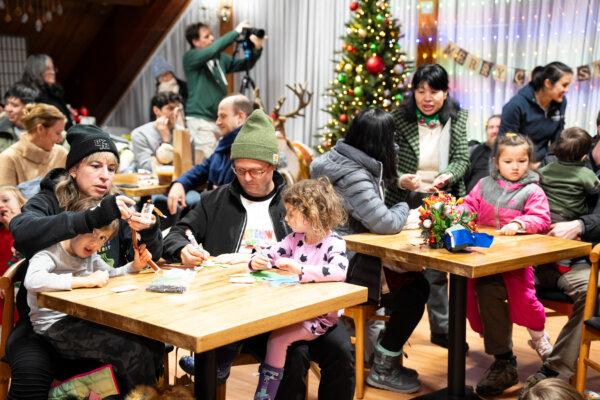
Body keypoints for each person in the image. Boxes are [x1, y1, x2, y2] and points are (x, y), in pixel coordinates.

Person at [165, 109, 356, 400]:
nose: (247, 177)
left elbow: (330, 247)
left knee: (341, 351)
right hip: (235, 310)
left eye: (257, 170)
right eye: (240, 170)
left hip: (300, 306)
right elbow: (177, 233)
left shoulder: (295, 202)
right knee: (294, 354)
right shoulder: (214, 201)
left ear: (272, 165)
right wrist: (183, 249)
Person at [6, 124, 163, 400]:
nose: (105, 176)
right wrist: (88, 219)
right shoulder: (49, 198)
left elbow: (147, 259)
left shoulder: (117, 205)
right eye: (95, 166)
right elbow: (21, 232)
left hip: (104, 318)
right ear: (73, 169)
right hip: (44, 324)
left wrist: (149, 230)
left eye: (111, 169)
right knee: (30, 376)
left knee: (149, 348)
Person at [311, 108, 427, 394]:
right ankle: (384, 366)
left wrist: (397, 183)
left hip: (330, 255)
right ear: (378, 142)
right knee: (416, 289)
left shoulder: (336, 160)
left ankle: (381, 353)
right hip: (348, 264)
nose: (395, 145)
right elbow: (384, 223)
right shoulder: (354, 177)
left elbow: (364, 197)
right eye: (391, 138)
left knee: (412, 283)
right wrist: (405, 207)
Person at [24, 196, 163, 394]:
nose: (96, 244)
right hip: (53, 327)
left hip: (83, 318)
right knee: (132, 351)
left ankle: (154, 393)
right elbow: (32, 280)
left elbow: (109, 275)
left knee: (151, 338)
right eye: (93, 234)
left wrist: (134, 266)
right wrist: (84, 281)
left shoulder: (89, 255)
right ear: (75, 227)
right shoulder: (50, 251)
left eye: (103, 239)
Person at [459, 132, 552, 395]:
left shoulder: (532, 190)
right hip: (487, 259)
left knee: (524, 299)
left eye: (521, 161)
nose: (515, 166)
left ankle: (539, 338)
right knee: (482, 294)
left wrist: (520, 223)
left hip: (518, 263)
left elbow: (541, 218)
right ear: (496, 162)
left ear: (530, 162)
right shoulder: (483, 185)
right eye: (509, 161)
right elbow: (468, 207)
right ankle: (503, 359)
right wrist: (457, 215)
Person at [386, 63, 469, 349]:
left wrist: (448, 176)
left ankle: (443, 329)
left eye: (434, 91)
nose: (427, 97)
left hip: (441, 199)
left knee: (438, 270)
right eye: (420, 91)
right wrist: (400, 180)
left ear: (446, 93)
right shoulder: (398, 118)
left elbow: (462, 158)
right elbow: (385, 162)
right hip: (404, 197)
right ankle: (391, 334)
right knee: (398, 267)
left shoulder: (456, 118)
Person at [248, 178, 348, 400]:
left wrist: (300, 269)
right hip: (296, 313)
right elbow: (271, 252)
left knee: (278, 340)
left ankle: (264, 395)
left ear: (311, 214)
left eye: (291, 213)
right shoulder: (294, 239)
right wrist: (256, 260)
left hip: (321, 318)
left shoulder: (335, 242)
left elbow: (338, 271)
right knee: (281, 343)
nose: (286, 218)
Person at [184, 20, 263, 161]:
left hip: (218, 120)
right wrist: (236, 32)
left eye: (211, 35)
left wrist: (257, 49)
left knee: (222, 158)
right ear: (195, 41)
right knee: (210, 160)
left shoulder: (219, 58)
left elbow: (244, 64)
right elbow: (214, 49)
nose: (212, 38)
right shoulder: (191, 57)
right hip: (200, 119)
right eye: (206, 36)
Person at [166, 94, 253, 215]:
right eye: (218, 117)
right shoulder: (225, 144)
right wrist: (180, 183)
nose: (217, 122)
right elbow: (202, 169)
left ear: (240, 117)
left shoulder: (250, 149)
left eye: (222, 116)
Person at [500, 62, 573, 163]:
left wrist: (549, 162)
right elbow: (506, 144)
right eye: (564, 85)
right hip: (513, 162)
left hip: (542, 162)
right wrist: (528, 164)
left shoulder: (561, 102)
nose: (567, 90)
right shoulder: (516, 105)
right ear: (548, 83)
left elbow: (557, 138)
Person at [539, 127, 600, 222]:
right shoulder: (587, 175)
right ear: (584, 156)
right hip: (570, 219)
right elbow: (596, 194)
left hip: (544, 214)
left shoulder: (545, 169)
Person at [0, 103, 67, 189]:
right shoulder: (8, 158)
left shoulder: (61, 154)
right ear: (40, 129)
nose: (60, 139)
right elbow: (5, 199)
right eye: (57, 133)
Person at [131, 91, 184, 171]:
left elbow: (187, 165)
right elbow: (147, 166)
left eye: (177, 109)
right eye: (171, 108)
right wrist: (165, 141)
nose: (176, 113)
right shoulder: (139, 134)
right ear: (156, 110)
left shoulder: (183, 132)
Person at [20, 54, 74, 128]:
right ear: (36, 71)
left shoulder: (53, 91)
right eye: (48, 69)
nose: (53, 72)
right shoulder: (30, 96)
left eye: (53, 68)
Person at [0, 186, 26, 322]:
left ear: (21, 203)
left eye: (5, 200)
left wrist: (13, 224)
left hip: (21, 289)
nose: (0, 205)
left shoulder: (29, 230)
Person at [464, 114, 501, 193]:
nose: (495, 131)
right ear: (486, 130)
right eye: (491, 127)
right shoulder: (475, 151)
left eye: (498, 127)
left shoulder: (510, 154)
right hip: (470, 200)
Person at [0, 83, 39, 152]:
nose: (8, 109)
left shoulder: (50, 130)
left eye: (14, 105)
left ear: (29, 107)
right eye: (7, 104)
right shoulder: (2, 129)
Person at [149, 56, 188, 121]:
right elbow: (153, 116)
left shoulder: (184, 87)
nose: (165, 78)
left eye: (166, 74)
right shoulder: (156, 97)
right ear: (158, 79)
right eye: (161, 76)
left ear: (171, 73)